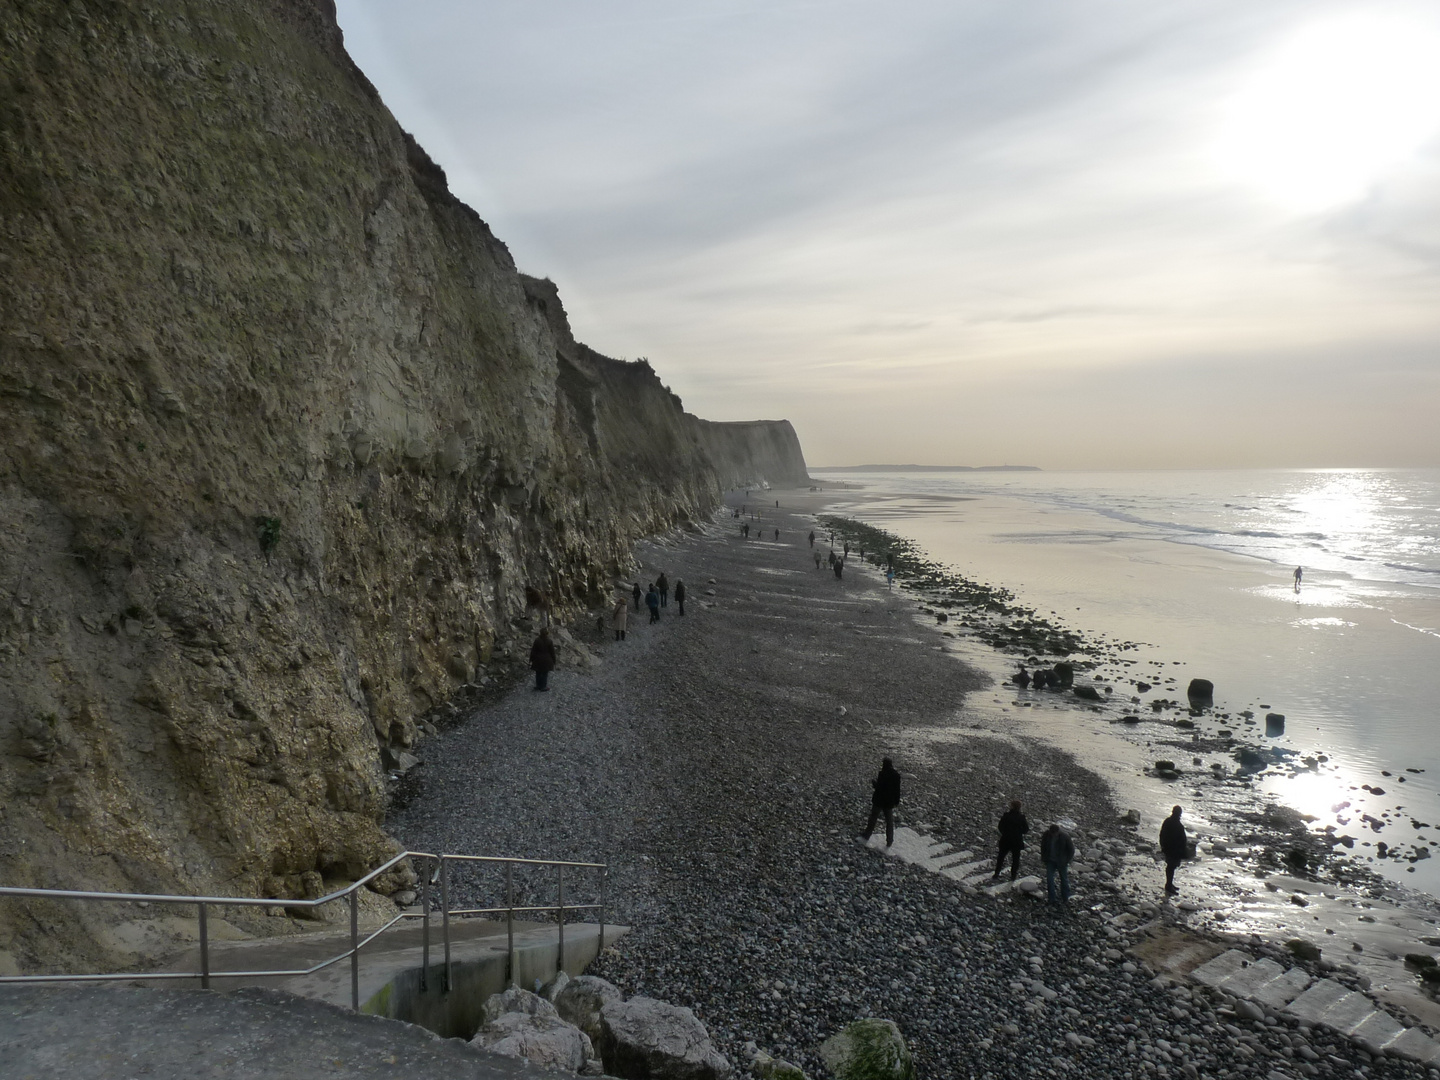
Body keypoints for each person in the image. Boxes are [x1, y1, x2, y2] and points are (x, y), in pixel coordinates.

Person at [863, 757, 902, 846]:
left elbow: (879, 787)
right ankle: (889, 840)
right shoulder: (896, 775)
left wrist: (874, 783)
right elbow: (897, 790)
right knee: (889, 822)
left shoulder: (882, 773)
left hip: (879, 801)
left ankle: (867, 835)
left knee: (873, 818)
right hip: (889, 802)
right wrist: (896, 801)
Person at [993, 800, 1029, 881]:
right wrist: (1019, 832)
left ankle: (996, 873)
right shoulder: (1021, 817)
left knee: (1001, 857)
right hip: (1017, 840)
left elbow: (1000, 826)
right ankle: (1013, 876)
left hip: (1005, 839)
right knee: (1015, 859)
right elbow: (1026, 829)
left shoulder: (1006, 815)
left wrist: (1005, 832)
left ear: (1012, 806)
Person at [1040, 823, 1074, 905]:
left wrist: (1067, 860)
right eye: (1052, 833)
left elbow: (1071, 850)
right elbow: (1043, 847)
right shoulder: (1046, 835)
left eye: (1054, 833)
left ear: (1058, 831)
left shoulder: (1065, 837)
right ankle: (1051, 898)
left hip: (1062, 862)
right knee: (1049, 879)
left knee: (1064, 880)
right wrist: (1044, 858)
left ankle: (1065, 898)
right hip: (1050, 861)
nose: (1053, 834)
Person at [1160, 805, 1188, 893]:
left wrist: (1163, 846)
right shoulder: (1178, 825)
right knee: (1171, 867)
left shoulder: (1168, 821)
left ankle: (1169, 884)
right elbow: (1182, 840)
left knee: (1170, 867)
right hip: (1174, 850)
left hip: (1169, 848)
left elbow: (1162, 834)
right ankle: (1168, 885)